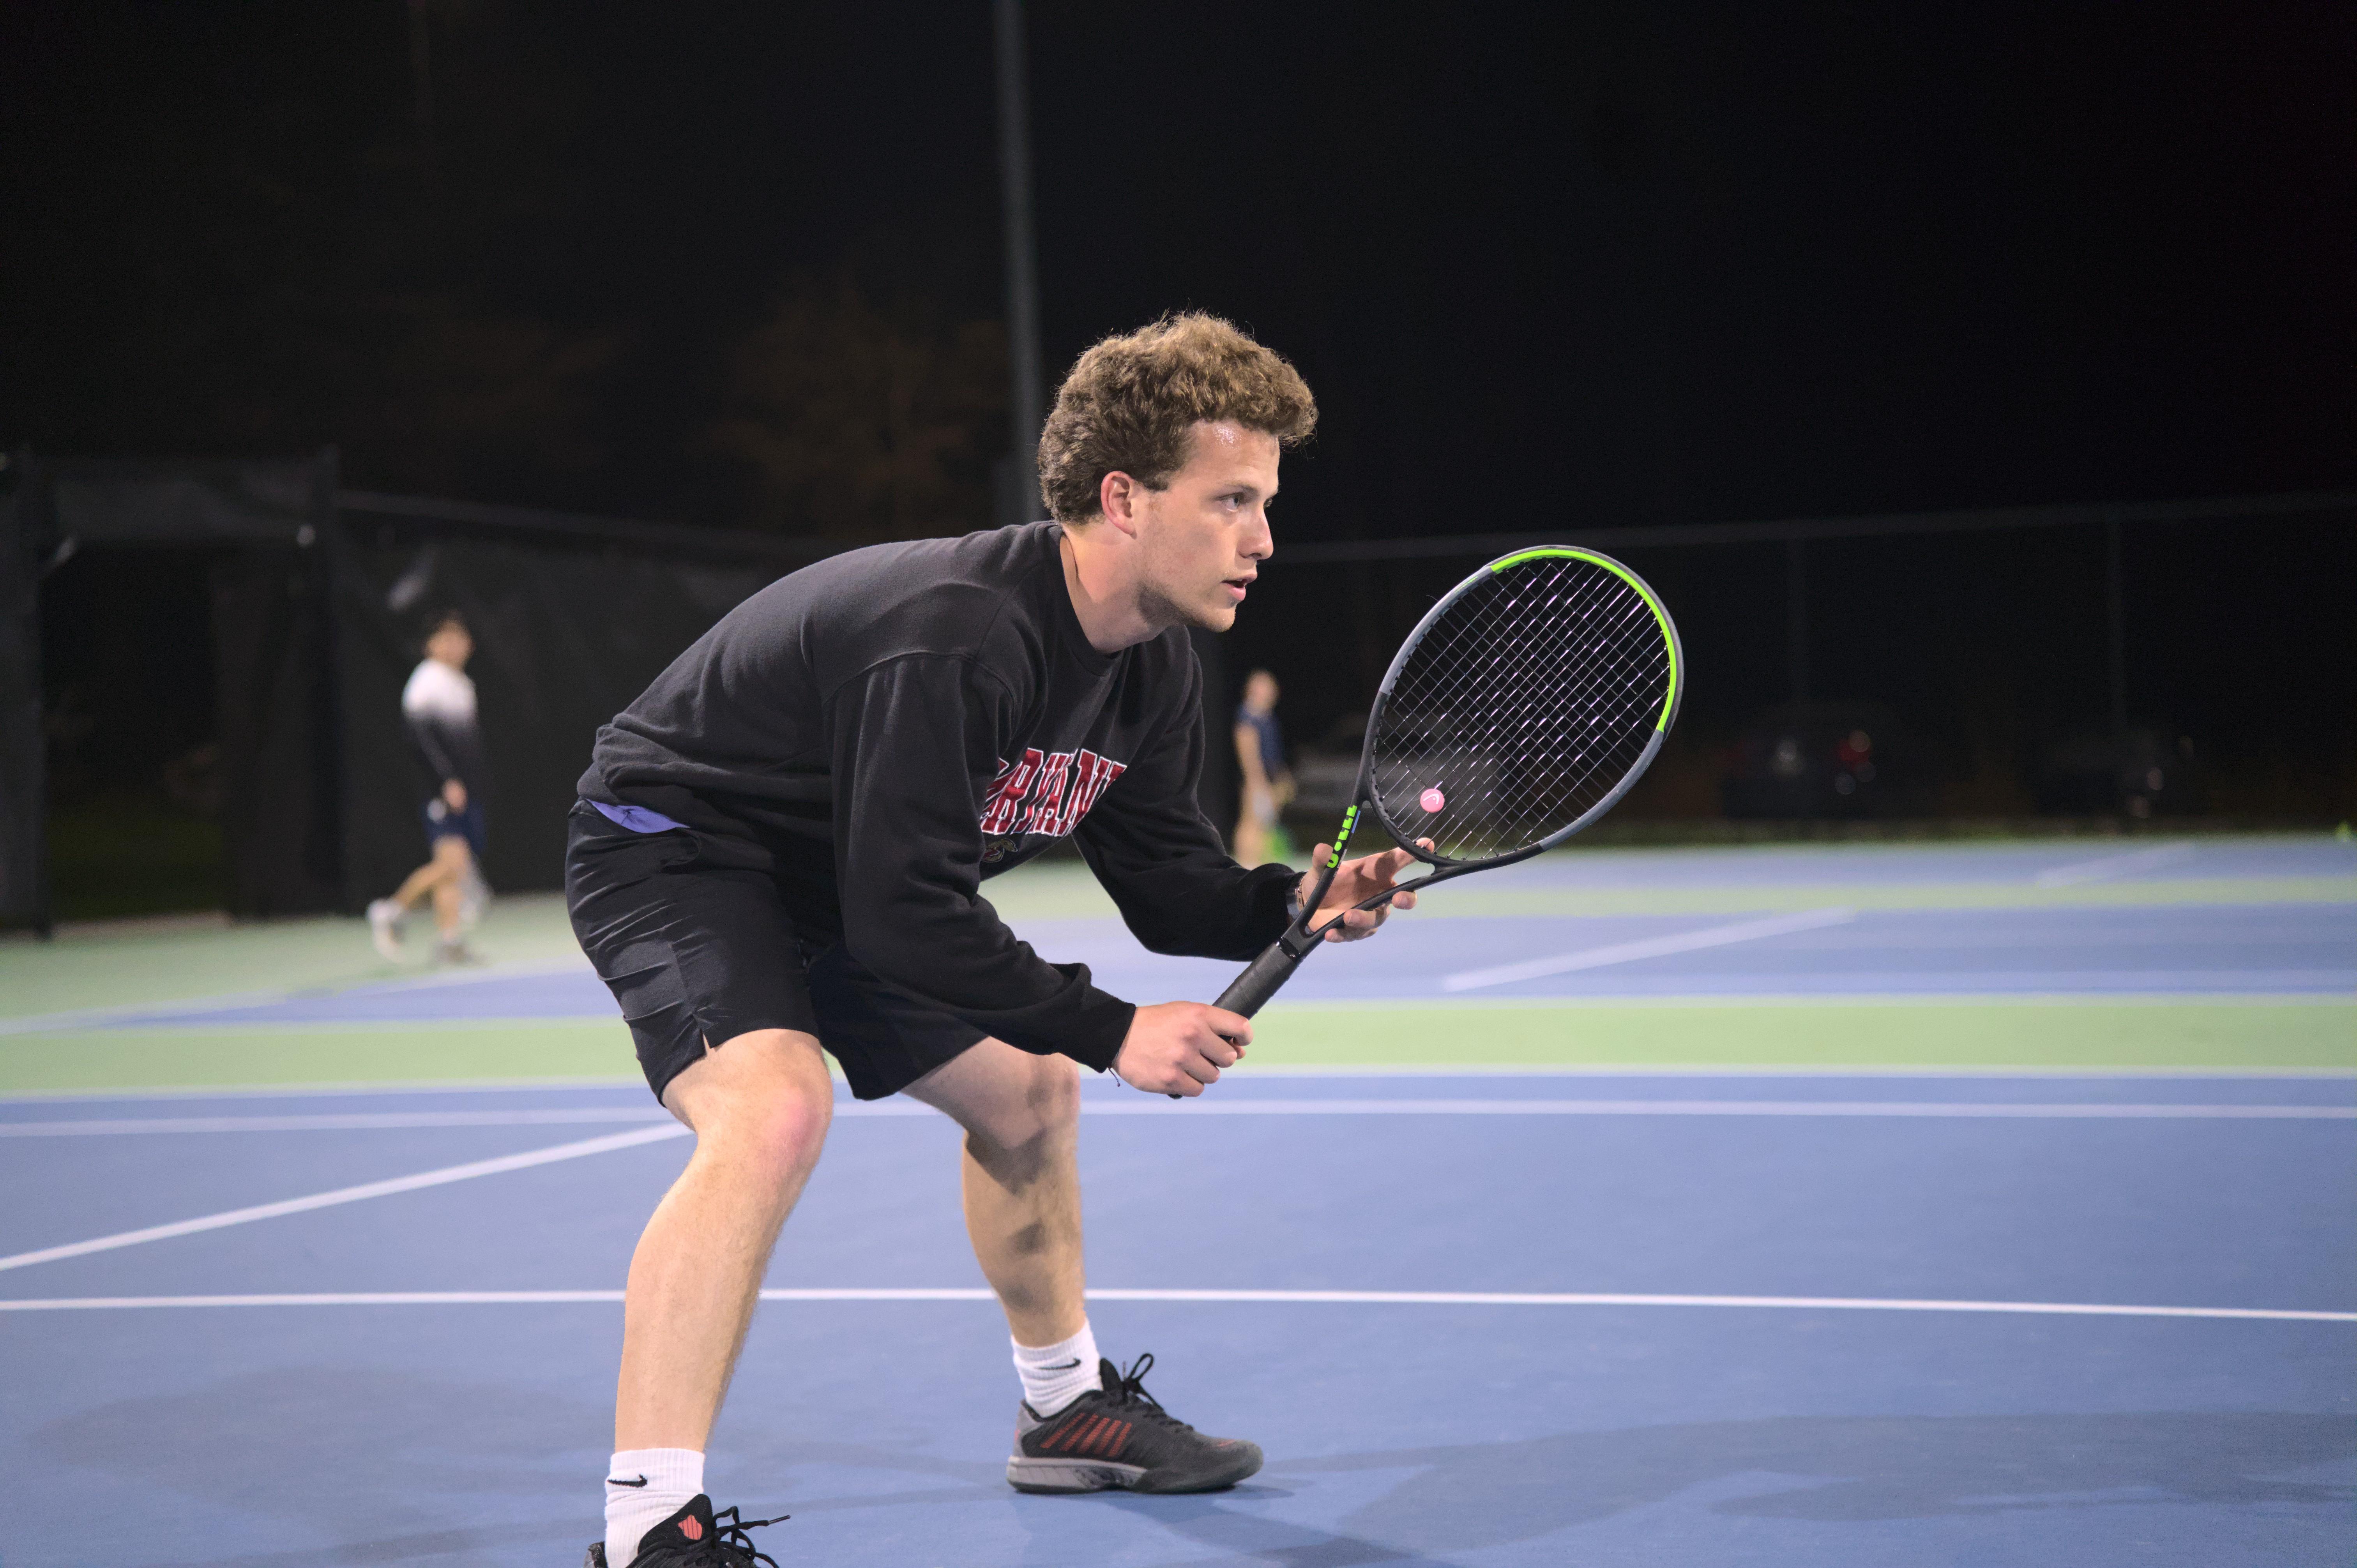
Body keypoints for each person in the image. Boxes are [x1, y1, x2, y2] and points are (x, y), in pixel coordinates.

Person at [565, 314, 1426, 1568]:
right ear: (1123, 498)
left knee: (1025, 1097)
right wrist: (1115, 1027)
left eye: (1267, 502)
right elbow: (906, 911)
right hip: (684, 843)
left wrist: (1294, 900)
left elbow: (1167, 886)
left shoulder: (1150, 665)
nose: (1264, 539)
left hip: (838, 876)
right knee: (774, 1112)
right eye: (1233, 499)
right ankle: (649, 1529)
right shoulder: (958, 634)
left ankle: (1064, 1410)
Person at [368, 611, 490, 964]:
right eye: (446, 639)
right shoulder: (427, 682)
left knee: (452, 868)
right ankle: (390, 910)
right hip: (441, 792)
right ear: (430, 646)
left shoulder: (463, 685)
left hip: (465, 790)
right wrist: (446, 782)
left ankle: (449, 940)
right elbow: (420, 740)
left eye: (460, 639)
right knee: (452, 865)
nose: (455, 647)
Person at [1231, 667, 1295, 863]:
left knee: (1266, 823)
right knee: (1251, 821)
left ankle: (1258, 861)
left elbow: (1273, 753)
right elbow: (1247, 750)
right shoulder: (1248, 714)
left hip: (1270, 776)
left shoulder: (1267, 717)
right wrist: (1256, 781)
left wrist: (1282, 777)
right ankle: (1245, 863)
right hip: (1257, 777)